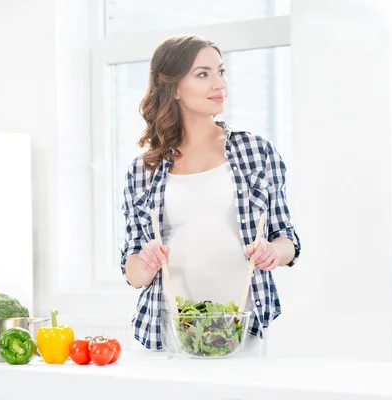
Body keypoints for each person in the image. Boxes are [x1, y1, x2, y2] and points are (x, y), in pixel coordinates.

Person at [120, 34, 301, 357]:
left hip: (241, 324)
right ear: (174, 87)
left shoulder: (256, 152)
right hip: (171, 330)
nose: (219, 84)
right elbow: (132, 271)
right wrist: (145, 264)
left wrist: (273, 251)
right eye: (203, 74)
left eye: (221, 71)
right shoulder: (143, 169)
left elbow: (287, 238)